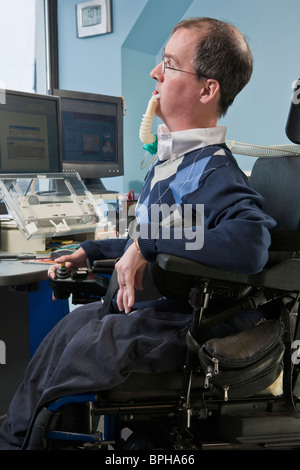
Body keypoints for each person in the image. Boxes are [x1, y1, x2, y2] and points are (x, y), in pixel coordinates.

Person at [0, 17, 276, 450]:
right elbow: (165, 232)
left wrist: (146, 245)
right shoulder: (176, 164)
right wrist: (92, 251)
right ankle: (18, 438)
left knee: (92, 339)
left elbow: (251, 242)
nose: (155, 73)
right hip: (151, 312)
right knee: (72, 327)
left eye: (169, 63)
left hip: (189, 322)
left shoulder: (218, 173)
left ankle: (23, 440)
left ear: (208, 89)